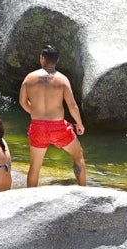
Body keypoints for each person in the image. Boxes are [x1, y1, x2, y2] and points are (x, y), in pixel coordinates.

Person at [19, 45, 86, 187]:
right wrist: (79, 124)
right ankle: (83, 189)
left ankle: (30, 197)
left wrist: (34, 112)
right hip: (58, 128)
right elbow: (72, 106)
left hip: (38, 127)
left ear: (42, 58)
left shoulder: (29, 78)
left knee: (35, 167)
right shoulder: (62, 80)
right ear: (57, 60)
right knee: (78, 155)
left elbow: (22, 102)